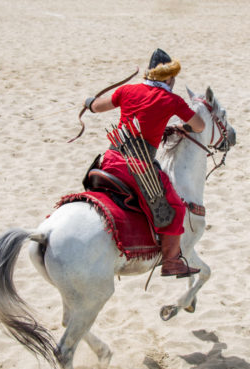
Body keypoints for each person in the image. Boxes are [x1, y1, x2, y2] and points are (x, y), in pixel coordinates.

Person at [85, 49, 205, 277]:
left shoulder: (127, 90)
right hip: (138, 168)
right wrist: (184, 127)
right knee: (177, 208)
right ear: (169, 77)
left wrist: (89, 103)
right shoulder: (171, 100)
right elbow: (199, 125)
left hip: (110, 160)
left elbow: (98, 106)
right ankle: (171, 262)